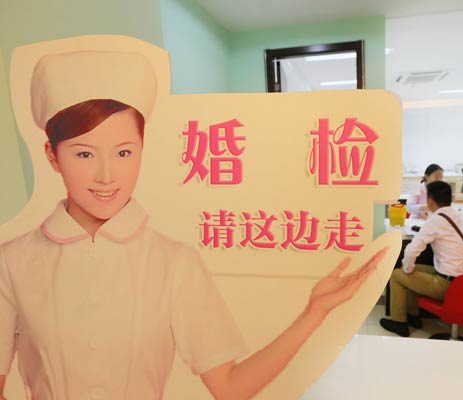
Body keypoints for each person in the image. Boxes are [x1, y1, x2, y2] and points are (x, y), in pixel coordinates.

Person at [0, 50, 387, 399]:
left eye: (123, 152)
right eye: (84, 153)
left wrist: (313, 312)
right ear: (52, 155)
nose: (106, 175)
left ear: (142, 149)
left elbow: (231, 388)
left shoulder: (174, 262)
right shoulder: (12, 262)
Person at [380, 181, 463, 337]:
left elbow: (411, 251)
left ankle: (399, 323)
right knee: (410, 269)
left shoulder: (436, 220)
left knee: (398, 275)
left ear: (430, 201)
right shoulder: (456, 215)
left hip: (448, 286)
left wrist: (406, 269)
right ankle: (413, 317)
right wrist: (409, 269)